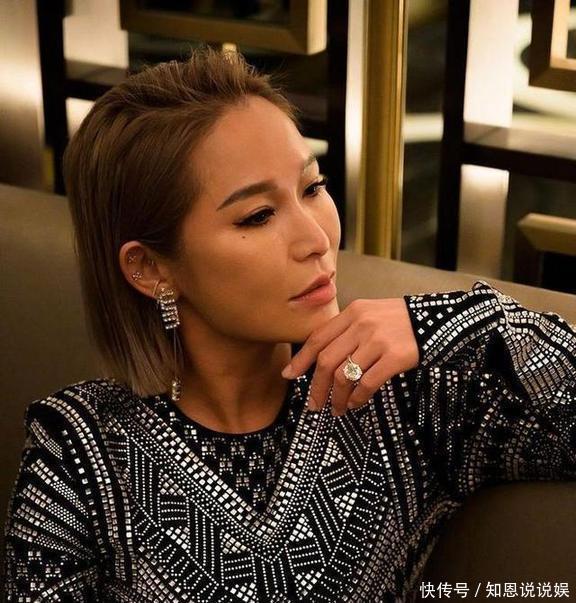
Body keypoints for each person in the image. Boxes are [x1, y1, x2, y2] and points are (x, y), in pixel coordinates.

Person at [3, 47, 575, 602]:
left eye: (313, 188)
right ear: (150, 268)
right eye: (257, 215)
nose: (316, 238)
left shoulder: (404, 399)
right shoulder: (79, 448)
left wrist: (452, 320)